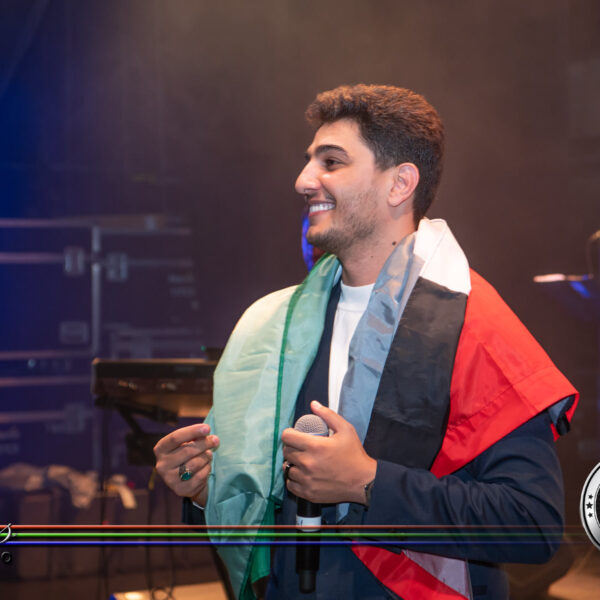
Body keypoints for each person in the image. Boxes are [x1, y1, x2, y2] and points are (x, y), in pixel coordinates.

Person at [153, 84, 578, 600]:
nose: (303, 180)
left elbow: (532, 524)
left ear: (399, 183)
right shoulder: (279, 323)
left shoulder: (475, 325)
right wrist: (207, 490)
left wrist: (368, 483)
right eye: (309, 160)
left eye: (331, 161)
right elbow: (268, 507)